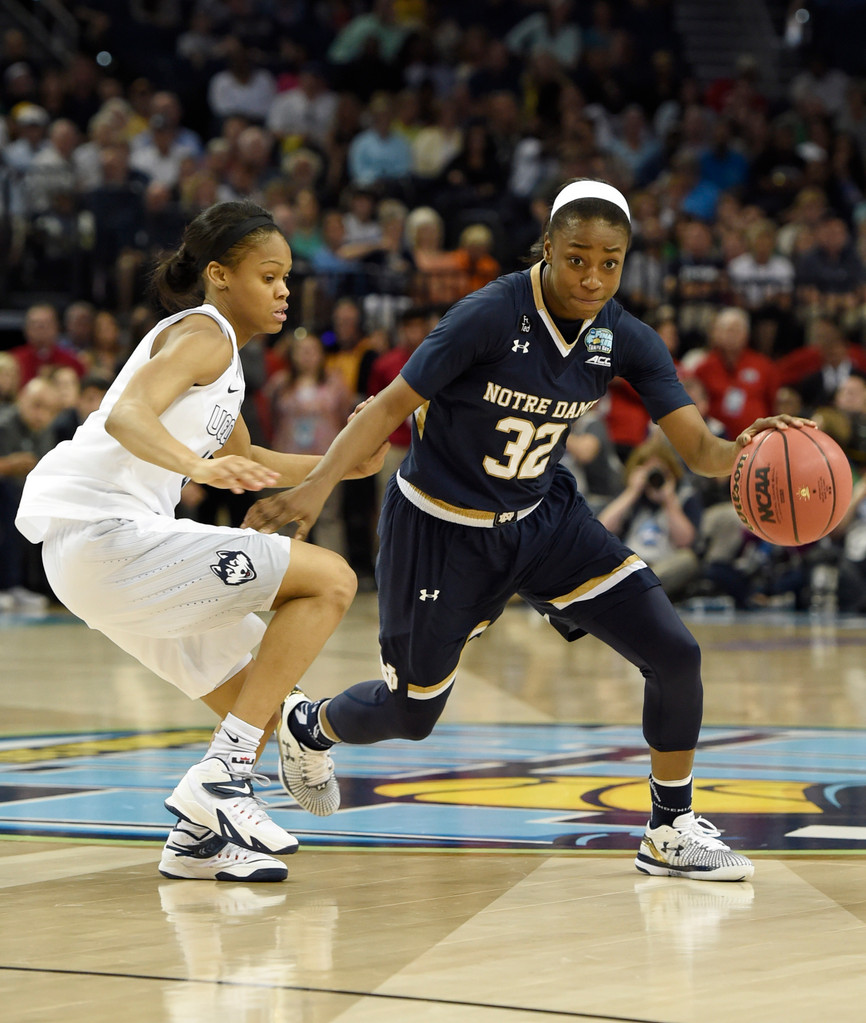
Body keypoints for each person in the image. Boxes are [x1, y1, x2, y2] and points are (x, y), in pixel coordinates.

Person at [242, 179, 815, 883]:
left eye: (611, 262)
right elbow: (384, 407)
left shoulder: (621, 336)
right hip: (440, 532)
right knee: (412, 712)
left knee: (675, 653)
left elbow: (699, 449)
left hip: (545, 521)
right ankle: (311, 725)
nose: (593, 276)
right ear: (547, 247)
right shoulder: (485, 315)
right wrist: (313, 489)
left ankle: (669, 827)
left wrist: (748, 452)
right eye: (578, 258)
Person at [14, 199, 386, 883]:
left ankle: (198, 838)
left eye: (287, 278)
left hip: (100, 558)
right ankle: (221, 780)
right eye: (268, 275)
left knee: (266, 702)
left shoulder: (228, 368)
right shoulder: (204, 334)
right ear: (219, 274)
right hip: (105, 534)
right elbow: (126, 413)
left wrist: (345, 459)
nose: (282, 290)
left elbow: (257, 461)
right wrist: (196, 466)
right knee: (331, 578)